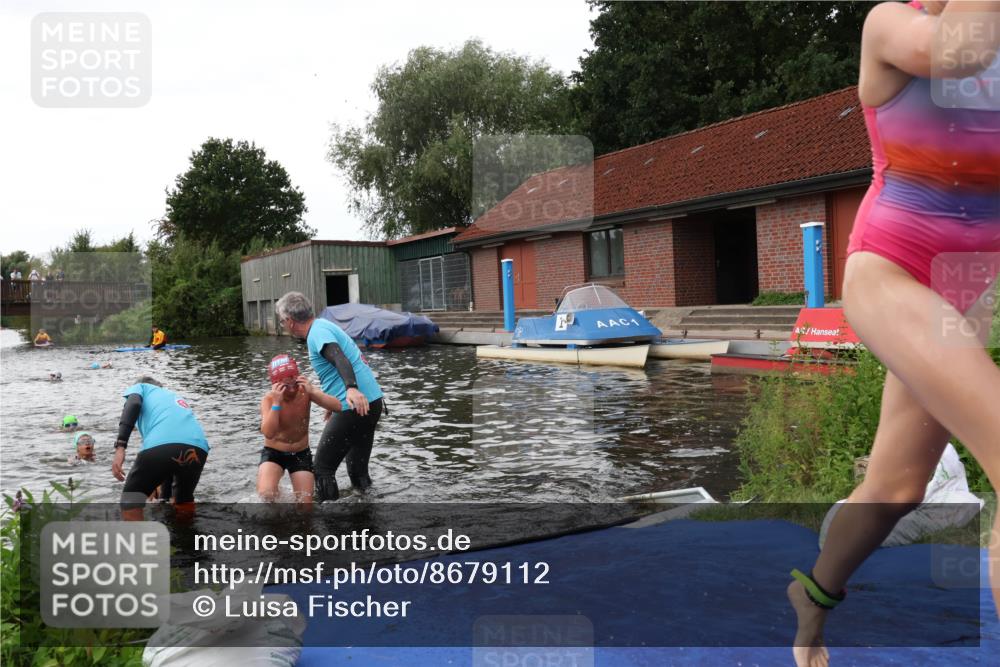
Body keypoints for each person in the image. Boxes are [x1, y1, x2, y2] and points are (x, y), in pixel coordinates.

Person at [787, 3, 1000, 666]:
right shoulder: (889, 25)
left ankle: (813, 597)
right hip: (890, 272)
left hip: (967, 291)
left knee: (897, 487)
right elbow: (957, 52)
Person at [275, 292, 385, 502]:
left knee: (322, 469)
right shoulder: (322, 326)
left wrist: (351, 388)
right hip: (371, 403)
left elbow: (338, 357)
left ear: (290, 321)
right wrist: (332, 401)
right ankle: (367, 511)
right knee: (357, 470)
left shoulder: (317, 332)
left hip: (354, 405)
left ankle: (330, 517)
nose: (283, 325)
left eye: (282, 321)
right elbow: (336, 366)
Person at [112, 376, 209, 520]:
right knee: (183, 500)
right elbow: (171, 453)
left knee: (130, 502)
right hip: (199, 447)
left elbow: (134, 403)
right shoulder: (173, 397)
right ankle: (186, 532)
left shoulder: (142, 387)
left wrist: (121, 446)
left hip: (163, 446)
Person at [258, 354, 342, 505]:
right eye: (285, 384)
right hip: (274, 453)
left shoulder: (306, 391)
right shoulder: (269, 399)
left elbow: (337, 406)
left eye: (293, 380)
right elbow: (268, 433)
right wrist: (277, 403)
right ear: (276, 384)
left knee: (305, 506)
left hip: (300, 453)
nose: (292, 388)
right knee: (267, 494)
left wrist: (314, 391)